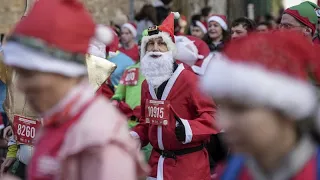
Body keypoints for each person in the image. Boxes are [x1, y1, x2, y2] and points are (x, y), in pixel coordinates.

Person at [2, 0, 148, 179]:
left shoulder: (100, 140)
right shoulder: (56, 119)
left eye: (29, 74)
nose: (21, 86)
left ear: (62, 71)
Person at [201, 31, 319, 180]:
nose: (222, 123)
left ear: (288, 111)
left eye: (239, 108)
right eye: (222, 107)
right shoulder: (231, 172)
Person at [130, 12, 218, 180]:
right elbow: (147, 122)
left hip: (188, 167)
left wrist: (189, 129)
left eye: (161, 43)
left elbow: (212, 116)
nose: (155, 48)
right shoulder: (146, 85)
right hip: (156, 166)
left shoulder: (189, 79)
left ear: (170, 48)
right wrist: (136, 136)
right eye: (150, 44)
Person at [111, 37, 152, 162]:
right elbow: (118, 94)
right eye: (140, 44)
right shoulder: (130, 70)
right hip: (128, 127)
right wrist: (116, 104)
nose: (142, 48)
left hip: (150, 128)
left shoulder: (163, 71)